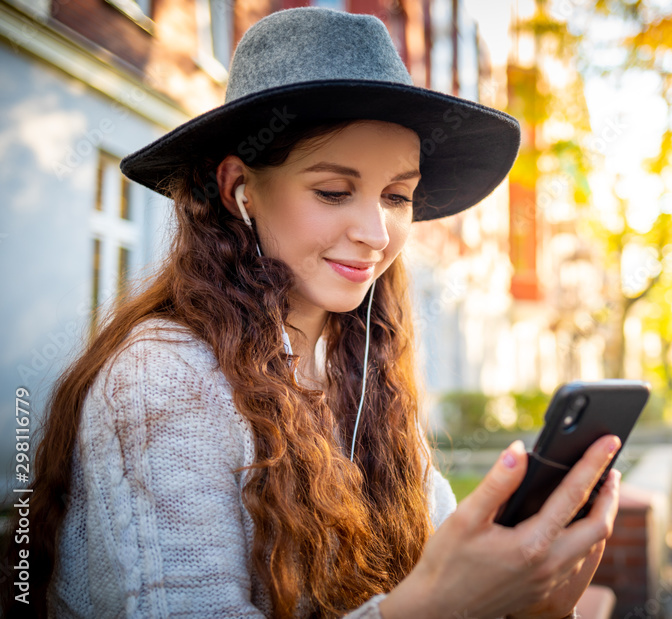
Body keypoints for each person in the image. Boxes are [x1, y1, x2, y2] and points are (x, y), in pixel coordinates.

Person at [0, 7, 622, 619]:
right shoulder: (164, 377)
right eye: (333, 191)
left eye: (396, 196)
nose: (377, 232)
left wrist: (534, 609)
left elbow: (437, 564)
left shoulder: (366, 374)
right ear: (239, 189)